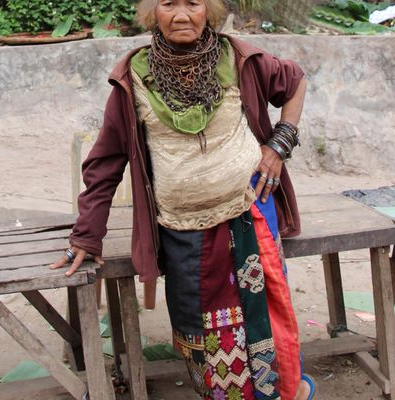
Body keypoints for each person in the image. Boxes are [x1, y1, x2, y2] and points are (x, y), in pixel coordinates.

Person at [51, 0, 313, 399]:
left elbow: (295, 82)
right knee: (203, 337)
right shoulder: (132, 77)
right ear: (151, 13)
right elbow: (104, 164)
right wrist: (86, 236)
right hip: (183, 232)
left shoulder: (240, 58)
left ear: (208, 9)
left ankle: (281, 393)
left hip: (250, 215)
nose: (181, 15)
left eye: (192, 2)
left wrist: (279, 143)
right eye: (168, 3)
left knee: (266, 322)